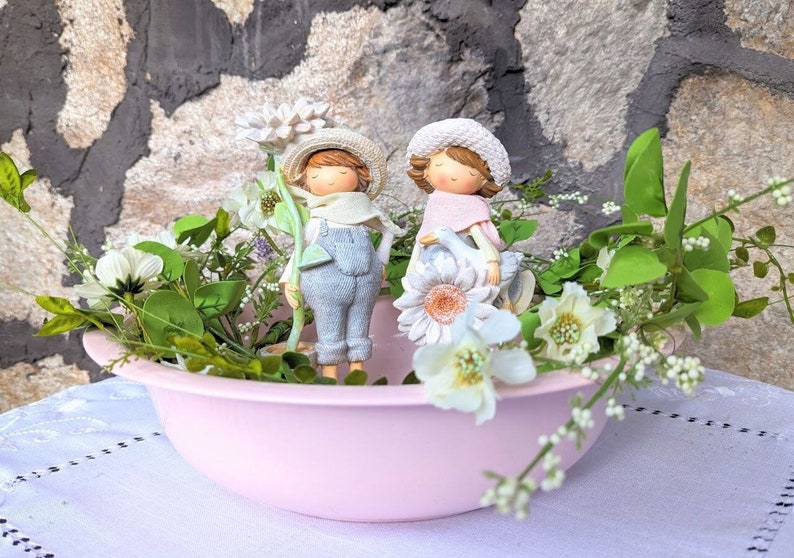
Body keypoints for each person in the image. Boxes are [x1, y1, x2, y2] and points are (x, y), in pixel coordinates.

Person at [280, 128, 401, 380]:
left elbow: (389, 230)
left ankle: (358, 377)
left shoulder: (363, 212)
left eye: (342, 172)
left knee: (359, 330)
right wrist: (289, 281)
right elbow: (300, 249)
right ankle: (330, 379)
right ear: (307, 180)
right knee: (330, 333)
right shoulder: (316, 217)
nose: (331, 180)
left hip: (365, 284)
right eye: (317, 174)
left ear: (359, 176)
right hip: (326, 285)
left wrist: (382, 261)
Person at [405, 118, 532, 312]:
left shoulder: (473, 207)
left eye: (468, 170)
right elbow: (421, 240)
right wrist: (412, 268)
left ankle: (498, 304)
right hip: (432, 266)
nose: (452, 174)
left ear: (483, 179)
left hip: (465, 265)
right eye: (440, 165)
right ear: (426, 171)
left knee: (479, 288)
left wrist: (492, 261)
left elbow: (479, 236)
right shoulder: (435, 205)